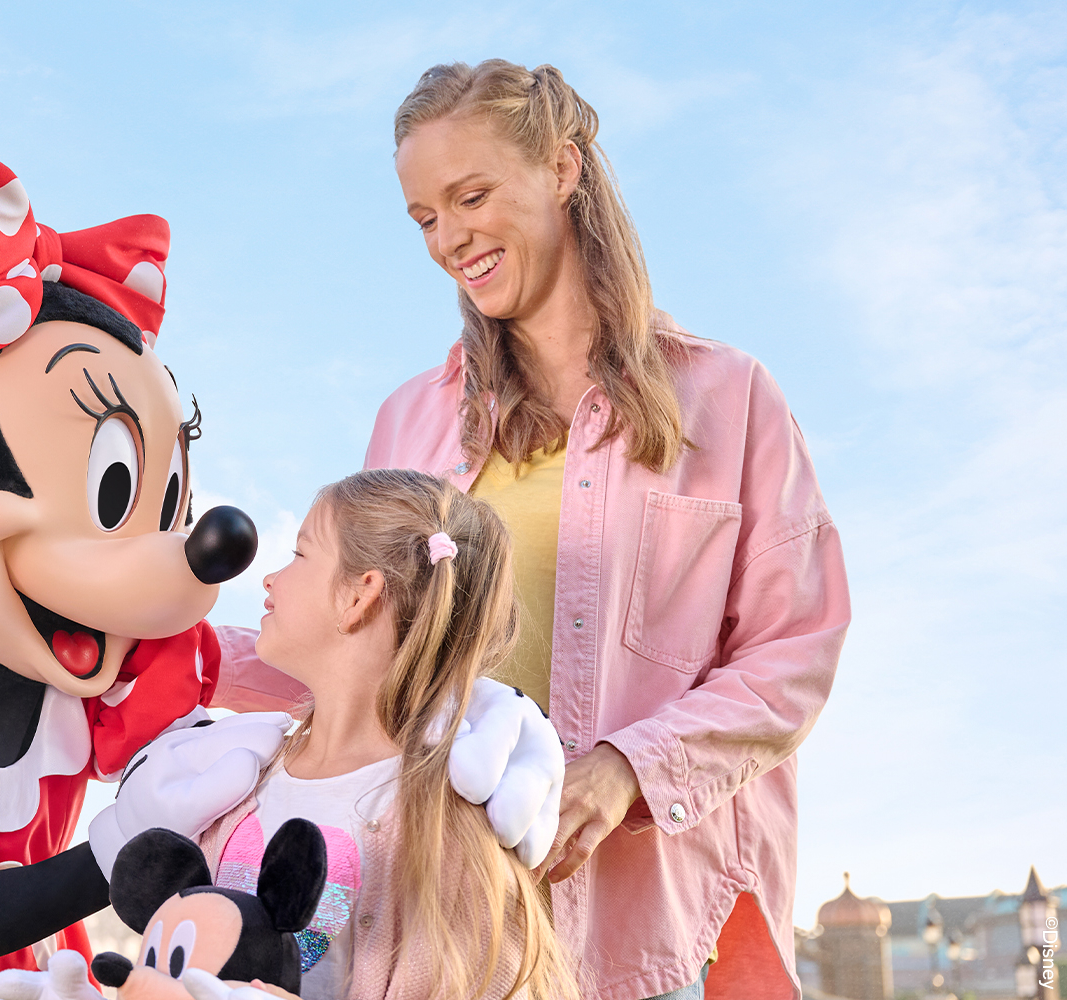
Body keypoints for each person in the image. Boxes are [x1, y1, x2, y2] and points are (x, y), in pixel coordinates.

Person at [353, 60, 849, 1000]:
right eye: (425, 218)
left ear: (564, 169)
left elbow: (796, 651)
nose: (450, 239)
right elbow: (354, 653)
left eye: (471, 196)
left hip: (649, 934)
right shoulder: (406, 425)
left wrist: (628, 766)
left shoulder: (731, 398)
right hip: (440, 933)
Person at [193, 469, 576, 1000]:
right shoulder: (241, 777)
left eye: (300, 554)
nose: (270, 579)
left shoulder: (444, 827)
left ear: (359, 595)